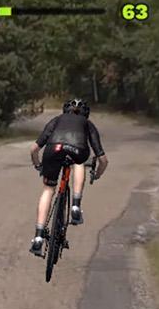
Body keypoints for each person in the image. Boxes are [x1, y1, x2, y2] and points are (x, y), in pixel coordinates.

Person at [29, 97, 106, 257]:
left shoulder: (57, 120)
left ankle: (38, 238)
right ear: (86, 114)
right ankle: (75, 206)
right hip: (78, 150)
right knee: (79, 162)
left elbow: (34, 149)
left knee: (48, 189)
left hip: (53, 149)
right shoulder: (87, 124)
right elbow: (103, 160)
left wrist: (38, 165)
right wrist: (97, 174)